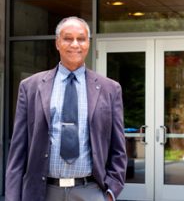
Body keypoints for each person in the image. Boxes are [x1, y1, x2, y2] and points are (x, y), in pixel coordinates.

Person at [5, 16, 127, 201]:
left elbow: (118, 148)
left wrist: (111, 192)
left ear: (88, 43)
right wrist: (13, 197)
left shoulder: (109, 89)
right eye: (68, 38)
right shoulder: (30, 86)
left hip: (91, 191)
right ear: (57, 43)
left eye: (81, 38)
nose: (75, 44)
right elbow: (18, 150)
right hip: (43, 192)